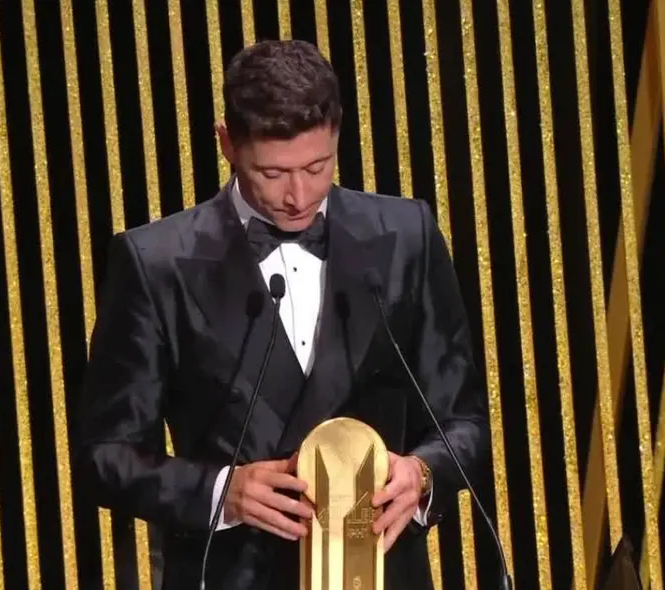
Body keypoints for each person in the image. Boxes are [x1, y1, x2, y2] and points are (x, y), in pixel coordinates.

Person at [78, 39, 489, 589]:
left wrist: (424, 475)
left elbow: (464, 421)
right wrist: (222, 492)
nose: (299, 196)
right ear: (227, 142)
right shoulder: (156, 263)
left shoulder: (406, 235)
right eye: (272, 174)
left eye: (317, 167)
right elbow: (105, 455)